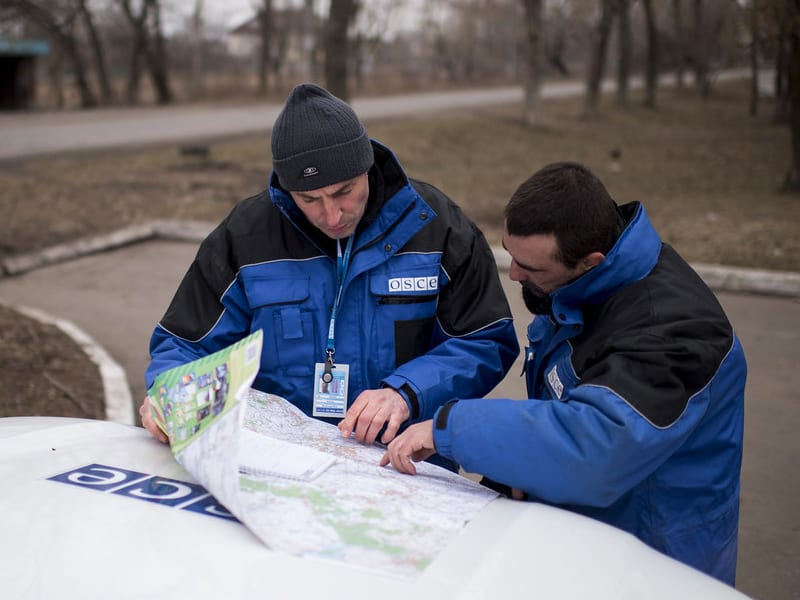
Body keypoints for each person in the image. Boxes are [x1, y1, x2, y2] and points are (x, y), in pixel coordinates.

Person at [380, 162, 746, 585]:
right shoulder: (585, 287)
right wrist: (516, 466)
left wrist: (450, 429)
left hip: (655, 559)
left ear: (590, 261)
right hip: (589, 534)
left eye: (531, 268)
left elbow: (596, 446)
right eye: (510, 255)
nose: (513, 274)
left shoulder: (673, 332)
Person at [140, 83, 520, 467]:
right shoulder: (244, 237)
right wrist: (169, 395)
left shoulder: (438, 228)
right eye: (309, 200)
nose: (332, 215)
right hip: (280, 466)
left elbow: (485, 341)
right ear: (288, 190)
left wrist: (408, 392)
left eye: (344, 192)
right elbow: (186, 343)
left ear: (366, 167)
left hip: (403, 469)